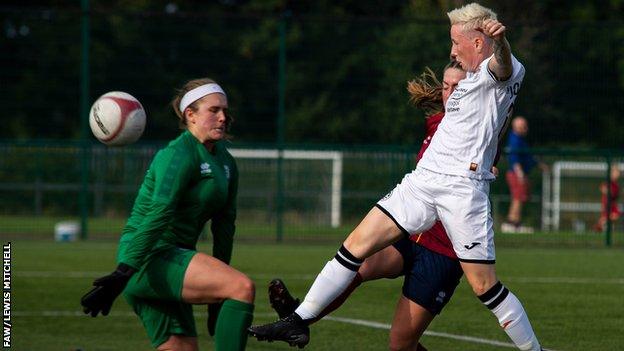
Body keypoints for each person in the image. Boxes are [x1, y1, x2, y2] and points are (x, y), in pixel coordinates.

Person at [249, 3, 544, 351]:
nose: (451, 50)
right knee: (355, 246)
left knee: (485, 287)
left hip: (461, 191)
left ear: (478, 42)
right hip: (422, 182)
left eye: (455, 42)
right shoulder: (465, 83)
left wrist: (504, 43)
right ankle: (298, 321)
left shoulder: (498, 72)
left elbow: (504, 64)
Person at [267, 62, 466, 351]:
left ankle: (297, 318)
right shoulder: (436, 122)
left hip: (443, 250)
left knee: (400, 344)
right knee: (358, 264)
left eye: (458, 87)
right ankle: (299, 320)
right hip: (411, 234)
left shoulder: (481, 128)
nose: (450, 93)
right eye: (446, 87)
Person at [80, 78, 255, 351]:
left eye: (225, 111)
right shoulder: (178, 154)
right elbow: (158, 215)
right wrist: (124, 271)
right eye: (214, 110)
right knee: (241, 287)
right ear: (191, 115)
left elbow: (225, 229)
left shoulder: (226, 162)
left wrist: (216, 301)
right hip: (147, 258)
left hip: (171, 259)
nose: (223, 117)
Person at [501, 116, 545, 234]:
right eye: (523, 126)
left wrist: (539, 164)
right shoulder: (515, 140)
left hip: (519, 173)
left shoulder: (520, 139)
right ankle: (513, 223)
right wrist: (520, 174)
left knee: (519, 197)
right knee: (517, 198)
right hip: (517, 173)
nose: (526, 128)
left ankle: (514, 222)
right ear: (516, 127)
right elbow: (514, 158)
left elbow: (528, 156)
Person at [593, 166, 621, 232]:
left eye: (618, 173)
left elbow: (616, 195)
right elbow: (602, 188)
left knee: (613, 216)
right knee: (609, 216)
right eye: (615, 172)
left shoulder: (616, 184)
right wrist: (606, 191)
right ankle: (598, 226)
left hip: (612, 203)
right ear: (611, 173)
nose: (617, 174)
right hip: (607, 203)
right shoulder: (608, 182)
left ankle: (599, 226)